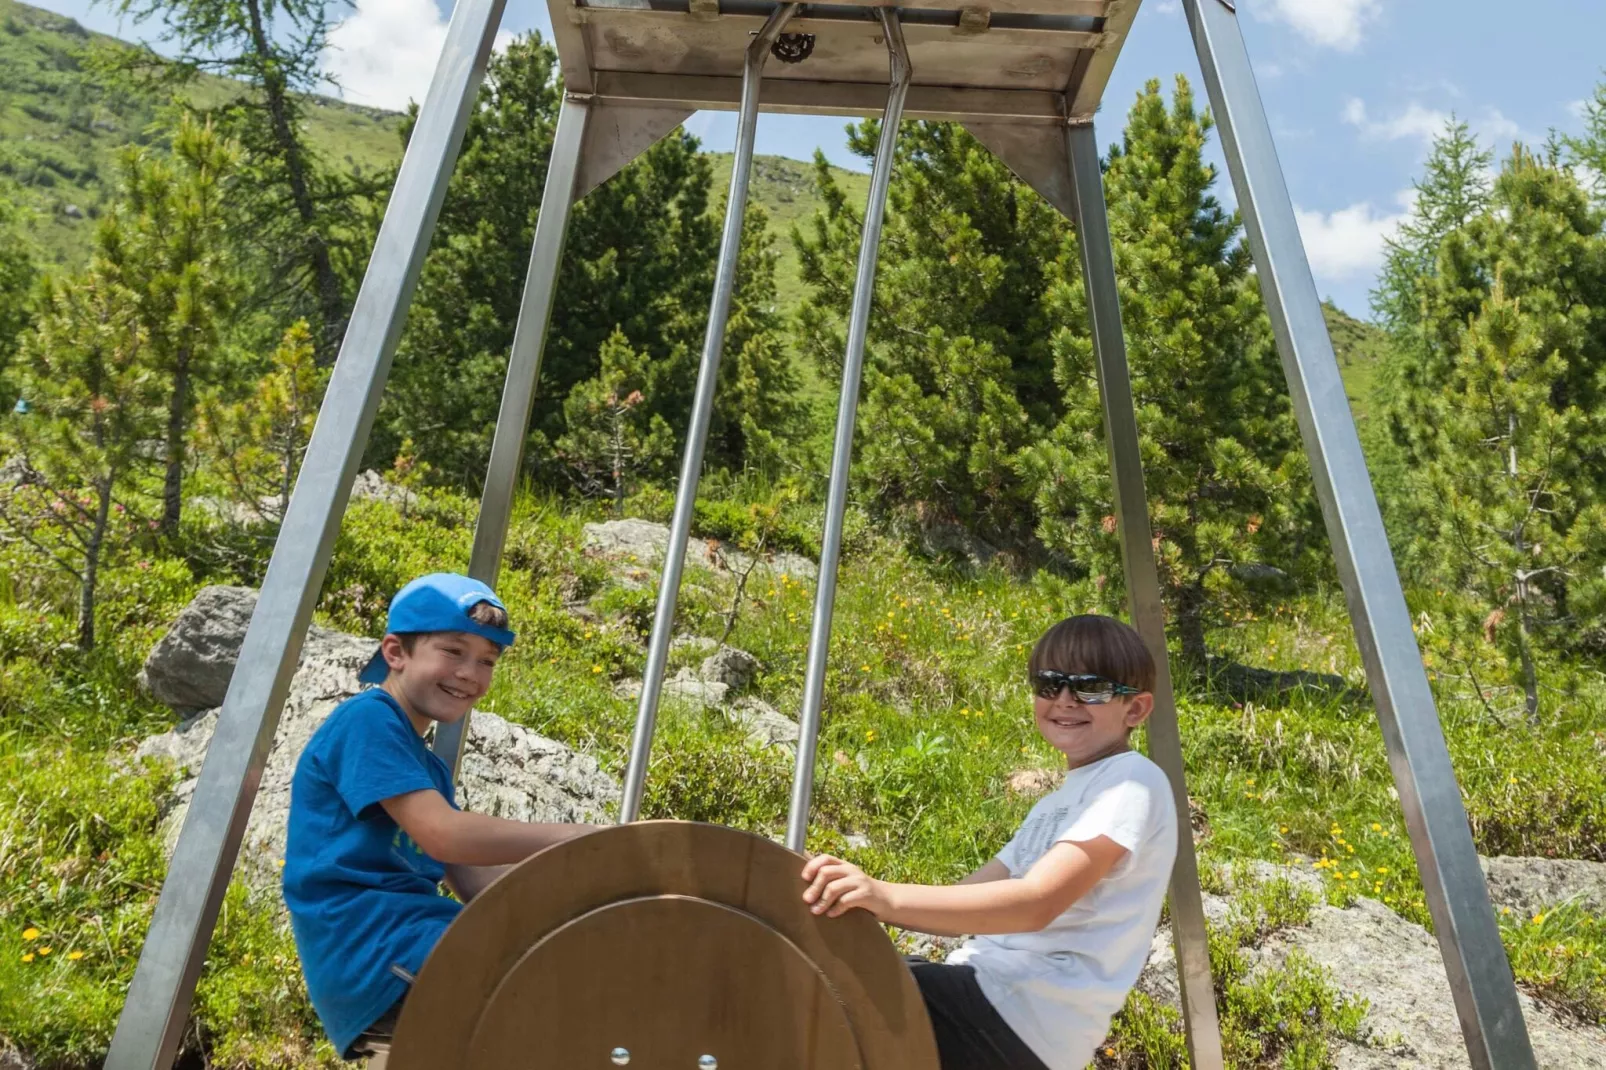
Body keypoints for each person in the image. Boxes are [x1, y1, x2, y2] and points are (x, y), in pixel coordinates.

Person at [801, 614, 1179, 1070]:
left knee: (808, 992)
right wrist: (855, 900)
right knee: (817, 962)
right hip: (986, 992)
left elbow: (1036, 903)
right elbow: (967, 900)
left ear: (1135, 710)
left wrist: (883, 896)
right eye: (1049, 684)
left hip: (1022, 1015)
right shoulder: (1055, 805)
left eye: (1090, 687)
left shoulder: (1133, 781)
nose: (1064, 699)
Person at [283, 572, 592, 1061]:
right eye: (453, 651)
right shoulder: (368, 720)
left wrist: (586, 902)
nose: (471, 672)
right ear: (395, 653)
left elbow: (476, 883)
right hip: (383, 950)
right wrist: (580, 837)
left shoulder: (425, 766)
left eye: (487, 661)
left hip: (411, 945)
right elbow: (445, 836)